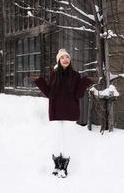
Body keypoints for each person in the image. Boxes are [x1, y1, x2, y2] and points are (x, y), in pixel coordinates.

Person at [29, 48, 93, 177]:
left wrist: (85, 81)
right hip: (56, 112)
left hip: (70, 113)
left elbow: (78, 94)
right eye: (62, 57)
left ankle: (64, 167)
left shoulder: (75, 75)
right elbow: (49, 93)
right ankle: (57, 165)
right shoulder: (54, 74)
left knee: (67, 140)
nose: (65, 59)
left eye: (67, 57)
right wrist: (39, 81)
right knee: (56, 139)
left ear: (70, 60)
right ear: (59, 60)